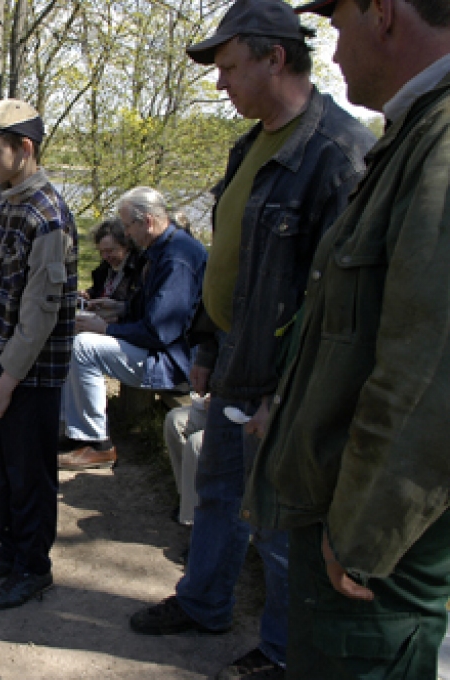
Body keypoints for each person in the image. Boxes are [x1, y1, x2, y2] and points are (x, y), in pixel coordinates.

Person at [127, 1, 376, 678]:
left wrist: (287, 395)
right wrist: (206, 344)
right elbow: (229, 256)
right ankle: (204, 600)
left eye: (229, 66)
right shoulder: (251, 143)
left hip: (286, 378)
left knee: (276, 521)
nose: (220, 83)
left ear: (275, 57)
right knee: (217, 492)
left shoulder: (337, 154)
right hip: (235, 358)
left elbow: (340, 303)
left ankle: (283, 651)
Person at [242, 0, 450, 676]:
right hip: (349, 521)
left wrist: (363, 532)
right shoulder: (416, 132)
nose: (331, 55)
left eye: (338, 25)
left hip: (374, 555)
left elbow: (431, 370)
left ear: (382, 12)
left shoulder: (442, 143)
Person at [0, 98, 78, 610]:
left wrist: (7, 378)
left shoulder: (47, 217)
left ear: (24, 148)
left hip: (29, 374)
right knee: (2, 469)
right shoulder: (3, 198)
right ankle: (9, 549)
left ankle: (34, 567)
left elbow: (40, 313)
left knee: (30, 474)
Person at [58, 187, 207, 471]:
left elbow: (161, 332)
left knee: (84, 346)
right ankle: (75, 433)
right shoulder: (163, 249)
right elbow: (155, 312)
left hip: (174, 361)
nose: (127, 234)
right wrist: (119, 309)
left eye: (128, 226)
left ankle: (96, 442)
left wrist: (106, 329)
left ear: (147, 221)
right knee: (74, 338)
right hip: (162, 349)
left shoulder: (177, 258)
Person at [163, 395, 208, 527]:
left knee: (196, 443)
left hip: (241, 415)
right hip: (216, 407)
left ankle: (195, 522)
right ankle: (187, 498)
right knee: (174, 420)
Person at [80, 217, 144, 304]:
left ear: (126, 245)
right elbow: (100, 290)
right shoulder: (104, 269)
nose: (105, 256)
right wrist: (87, 295)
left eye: (110, 251)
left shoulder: (139, 269)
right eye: (101, 252)